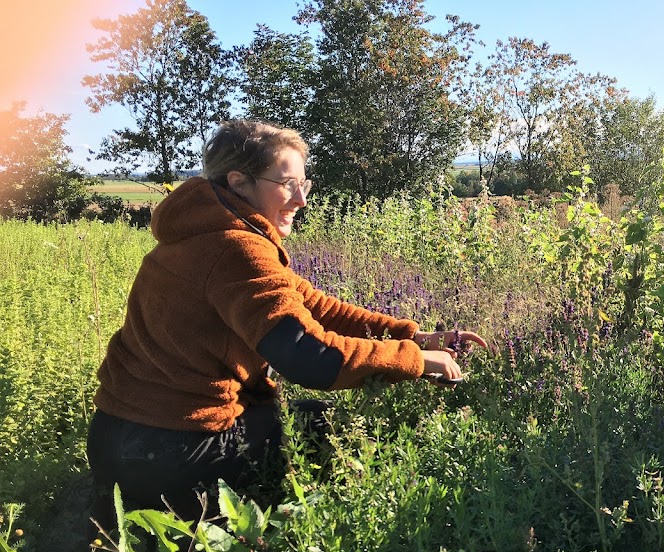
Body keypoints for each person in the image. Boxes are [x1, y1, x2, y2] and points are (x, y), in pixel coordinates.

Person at [87, 120, 486, 523]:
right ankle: (291, 539)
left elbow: (312, 306)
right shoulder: (237, 248)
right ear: (239, 181)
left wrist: (415, 335)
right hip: (170, 450)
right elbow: (308, 357)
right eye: (287, 184)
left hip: (114, 440)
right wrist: (413, 361)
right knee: (320, 429)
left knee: (294, 420)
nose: (301, 200)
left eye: (304, 184)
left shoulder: (207, 232)